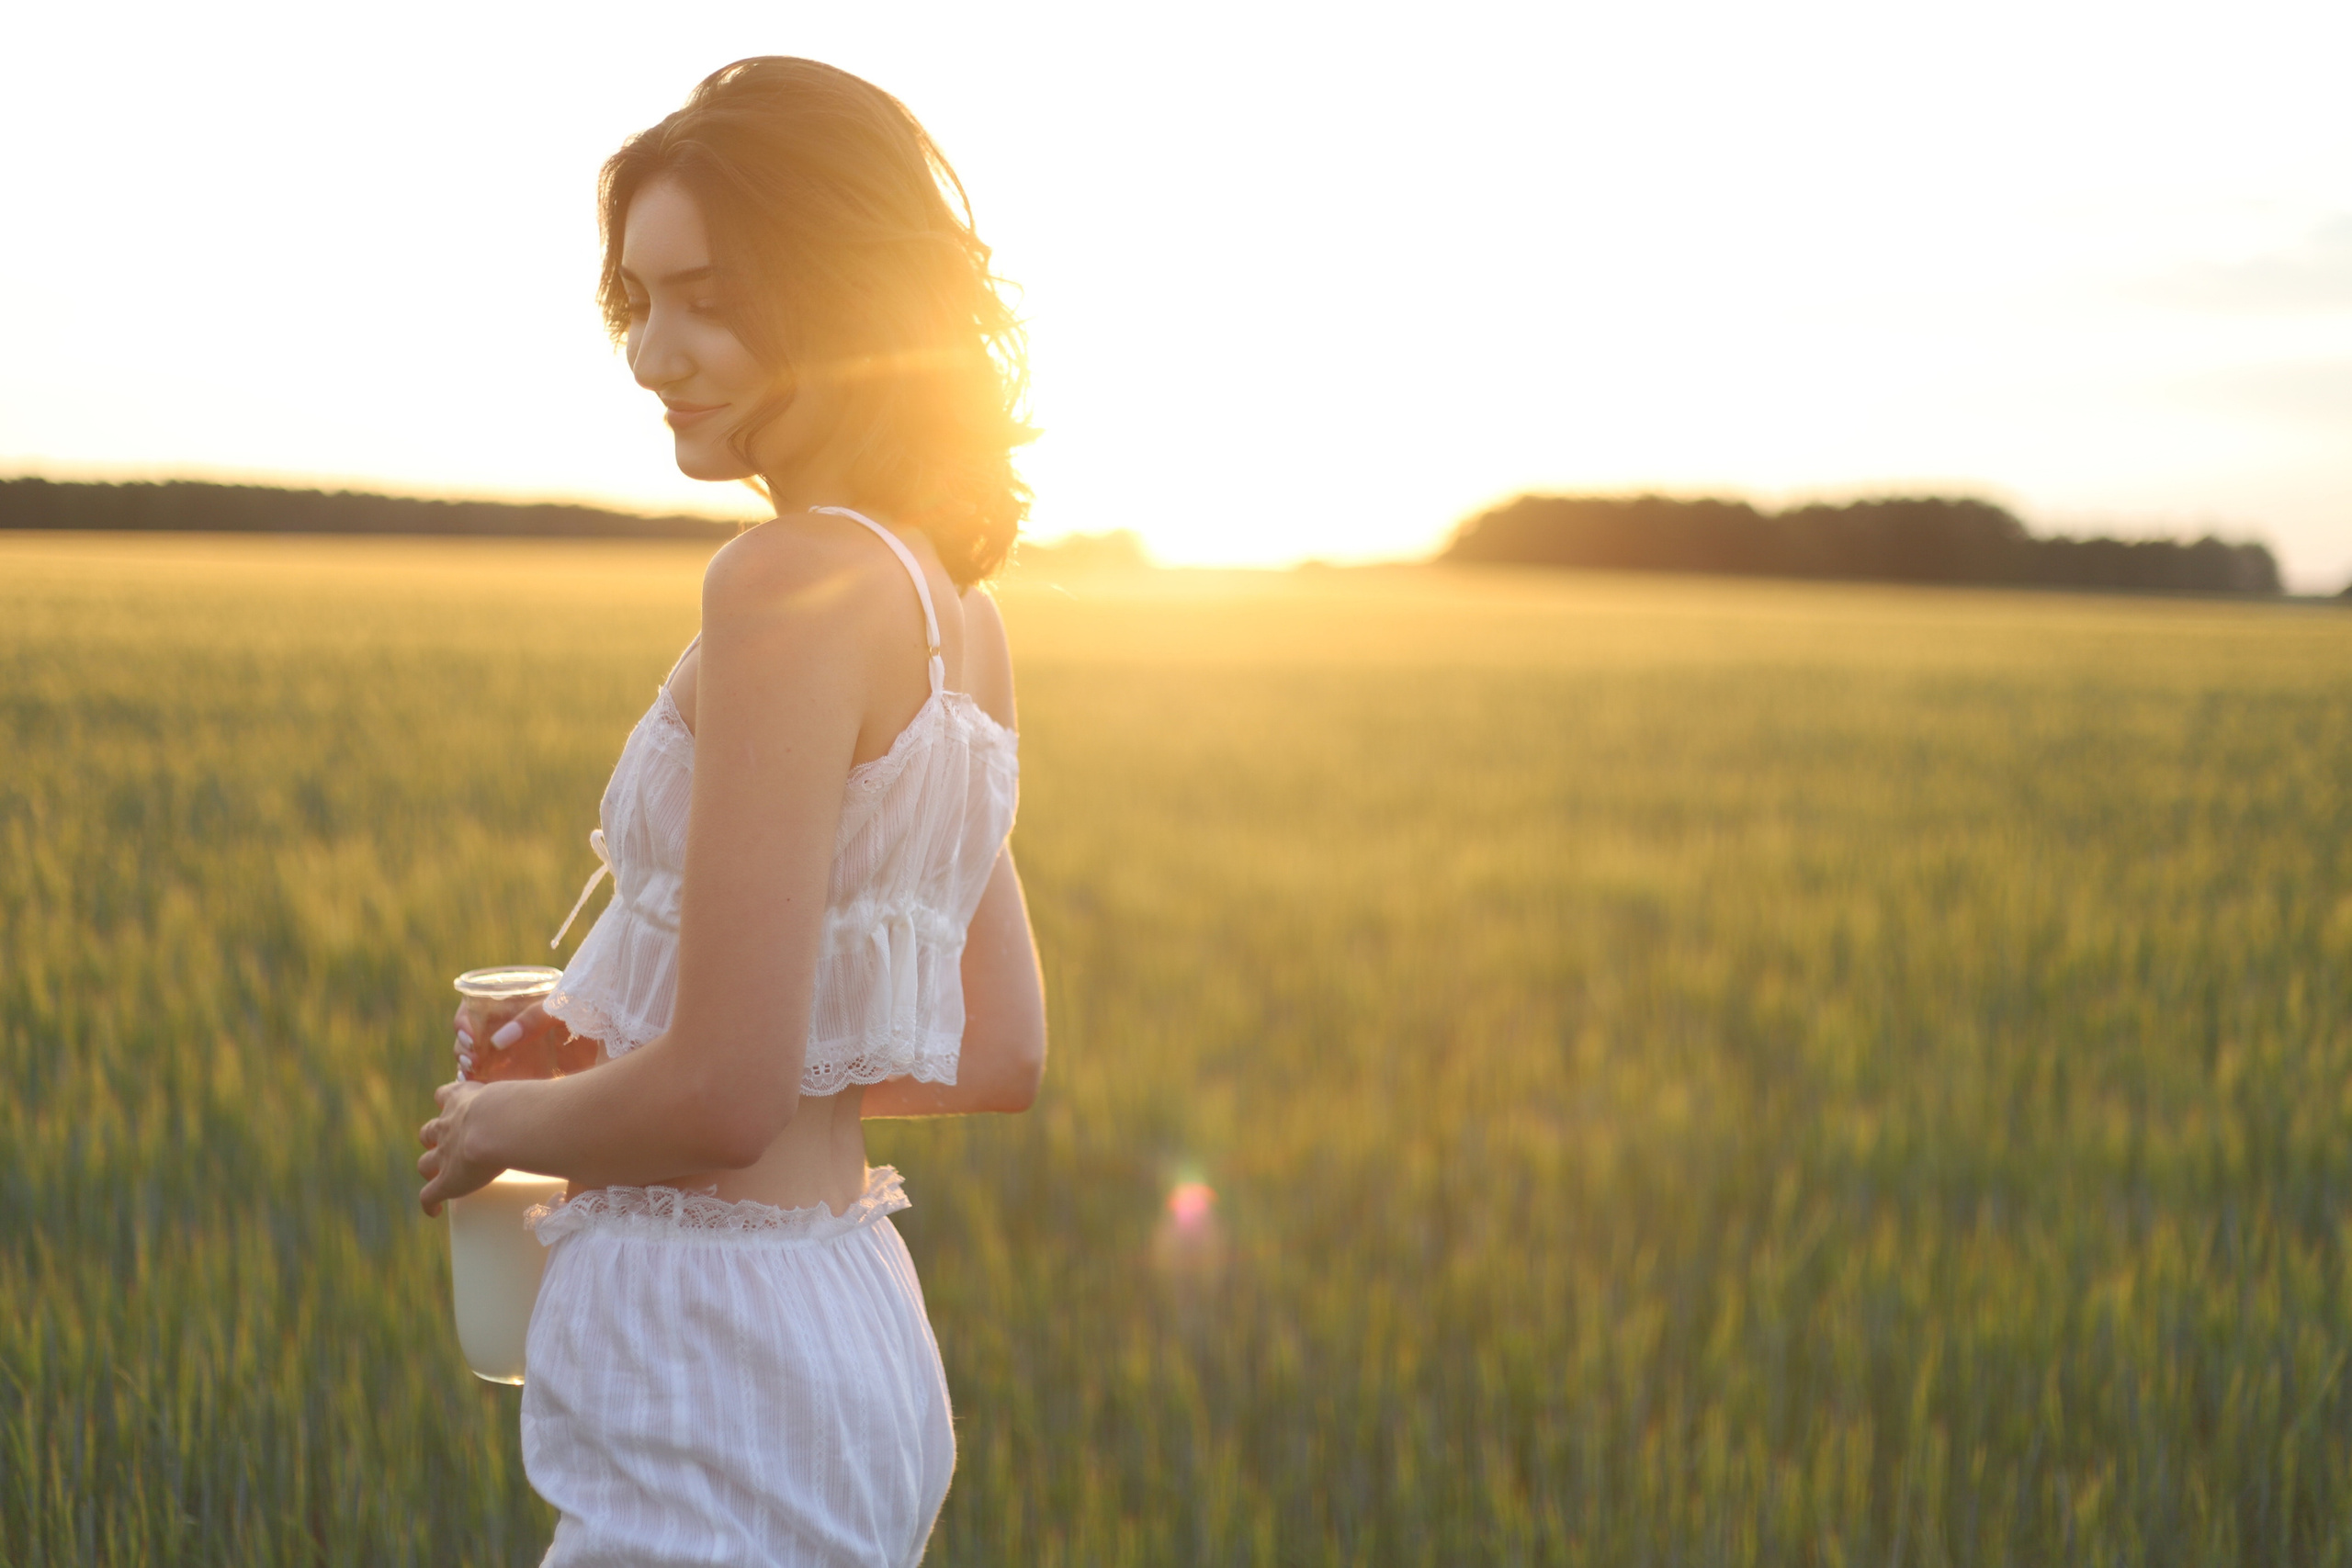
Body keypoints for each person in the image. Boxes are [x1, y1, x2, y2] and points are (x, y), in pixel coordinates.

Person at [415, 56, 1047, 1566]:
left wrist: (509, 1121)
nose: (655, 354)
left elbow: (729, 1092)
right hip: (849, 1323)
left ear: (837, 294)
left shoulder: (781, 585)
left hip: (714, 1361)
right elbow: (998, 1048)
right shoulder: (956, 610)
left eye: (709, 297)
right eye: (638, 303)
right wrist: (630, 1064)